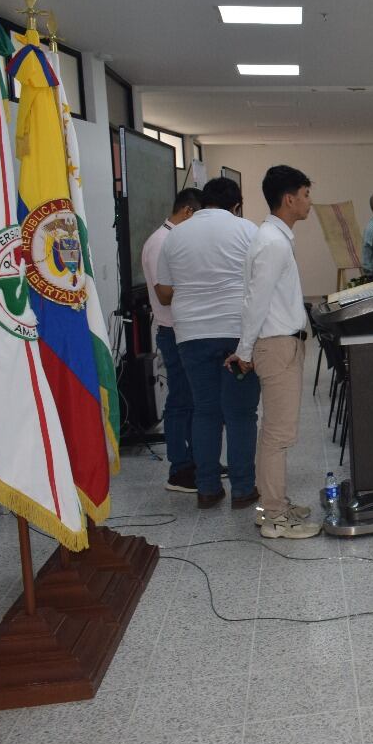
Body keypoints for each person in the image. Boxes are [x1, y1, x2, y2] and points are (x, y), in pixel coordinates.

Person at [223, 166, 319, 539]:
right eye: (306, 194)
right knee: (278, 435)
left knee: (277, 433)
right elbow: (256, 301)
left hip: (282, 342)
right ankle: (274, 517)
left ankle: (273, 504)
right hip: (276, 346)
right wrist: (245, 351)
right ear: (289, 199)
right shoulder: (272, 242)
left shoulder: (275, 237)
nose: (309, 201)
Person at [154, 176, 260, 508]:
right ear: (236, 205)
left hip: (192, 335)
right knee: (240, 413)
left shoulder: (175, 236)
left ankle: (208, 489)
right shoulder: (247, 230)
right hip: (237, 333)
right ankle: (243, 489)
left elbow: (164, 291)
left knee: (205, 411)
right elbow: (260, 281)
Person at [141, 186, 200, 493]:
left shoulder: (175, 239)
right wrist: (202, 285)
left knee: (192, 399)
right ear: (188, 212)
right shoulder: (160, 243)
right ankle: (179, 469)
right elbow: (164, 295)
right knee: (179, 401)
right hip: (171, 330)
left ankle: (198, 460)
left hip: (186, 329)